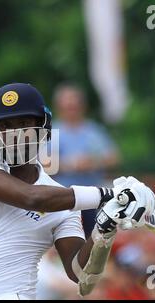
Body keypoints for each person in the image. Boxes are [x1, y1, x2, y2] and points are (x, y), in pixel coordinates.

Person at [0, 83, 155, 300]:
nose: (14, 134)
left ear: (43, 128)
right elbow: (31, 197)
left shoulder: (61, 201)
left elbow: (80, 274)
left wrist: (104, 228)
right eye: (5, 126)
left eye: (24, 124)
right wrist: (108, 195)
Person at [52, 84, 120, 236]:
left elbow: (113, 158)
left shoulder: (94, 131)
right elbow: (43, 165)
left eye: (75, 106)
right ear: (59, 108)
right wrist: (71, 164)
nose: (72, 110)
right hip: (64, 199)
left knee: (96, 239)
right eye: (68, 106)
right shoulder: (52, 132)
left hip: (94, 199)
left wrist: (93, 162)